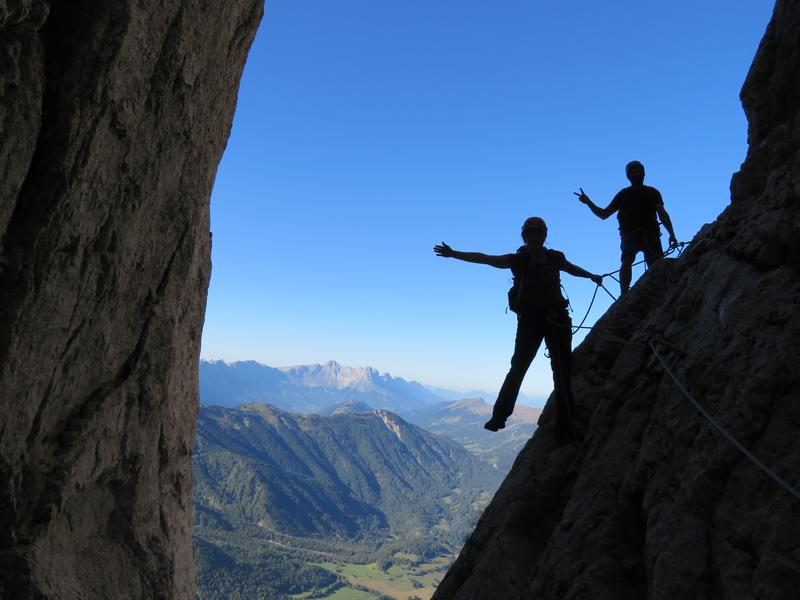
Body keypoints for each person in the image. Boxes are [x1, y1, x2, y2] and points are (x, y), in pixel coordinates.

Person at [433, 217, 602, 441]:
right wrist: (455, 254)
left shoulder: (535, 259)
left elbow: (572, 269)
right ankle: (509, 417)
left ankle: (552, 422)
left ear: (539, 236)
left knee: (546, 370)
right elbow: (484, 259)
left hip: (540, 321)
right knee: (544, 369)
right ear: (529, 236)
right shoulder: (529, 260)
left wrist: (591, 275)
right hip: (548, 320)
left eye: (537, 234)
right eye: (532, 234)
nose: (535, 238)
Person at [574, 160, 678, 294]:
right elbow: (662, 214)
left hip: (635, 234)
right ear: (629, 175)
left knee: (628, 262)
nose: (638, 174)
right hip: (645, 233)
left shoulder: (628, 194)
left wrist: (588, 202)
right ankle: (641, 292)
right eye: (636, 171)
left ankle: (625, 294)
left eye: (640, 171)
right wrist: (671, 234)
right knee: (646, 262)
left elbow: (603, 214)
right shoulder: (649, 192)